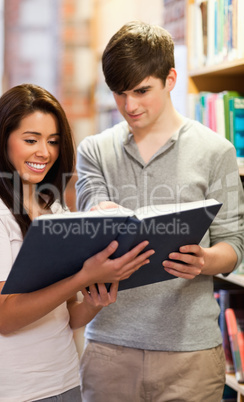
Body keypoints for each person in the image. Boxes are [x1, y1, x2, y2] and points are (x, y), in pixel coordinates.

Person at [76, 21, 244, 402]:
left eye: (141, 91)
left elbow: (235, 244)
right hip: (109, 349)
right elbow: (89, 202)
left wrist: (205, 260)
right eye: (119, 93)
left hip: (190, 355)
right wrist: (99, 210)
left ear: (170, 79)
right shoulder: (94, 151)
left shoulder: (216, 152)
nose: (129, 106)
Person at [0, 83, 154, 402]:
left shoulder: (54, 207)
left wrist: (92, 301)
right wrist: (84, 276)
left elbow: (67, 315)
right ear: (4, 140)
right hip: (12, 390)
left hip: (66, 381)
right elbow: (3, 317)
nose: (44, 152)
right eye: (31, 139)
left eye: (53, 141)